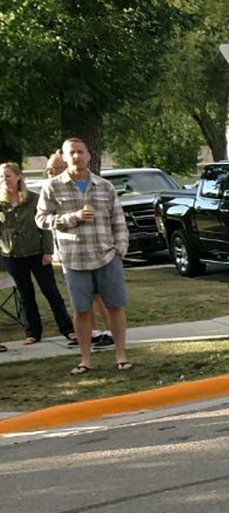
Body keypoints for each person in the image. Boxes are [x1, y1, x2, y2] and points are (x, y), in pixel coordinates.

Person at [36, 138, 132, 375]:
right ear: (64, 157)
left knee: (115, 306)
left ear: (89, 155)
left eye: (81, 152)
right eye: (72, 153)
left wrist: (120, 249)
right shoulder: (53, 187)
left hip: (107, 256)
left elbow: (118, 221)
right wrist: (72, 218)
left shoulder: (104, 186)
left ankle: (121, 355)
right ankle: (85, 359)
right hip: (74, 259)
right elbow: (41, 219)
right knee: (81, 310)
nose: (77, 156)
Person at [2, 161, 78, 347]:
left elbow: (45, 227)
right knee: (25, 295)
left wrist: (47, 251)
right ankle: (33, 332)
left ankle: (68, 329)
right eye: (1, 177)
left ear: (18, 177)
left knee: (50, 291)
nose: (4, 180)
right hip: (12, 256)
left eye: (8, 176)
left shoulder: (34, 199)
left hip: (36, 253)